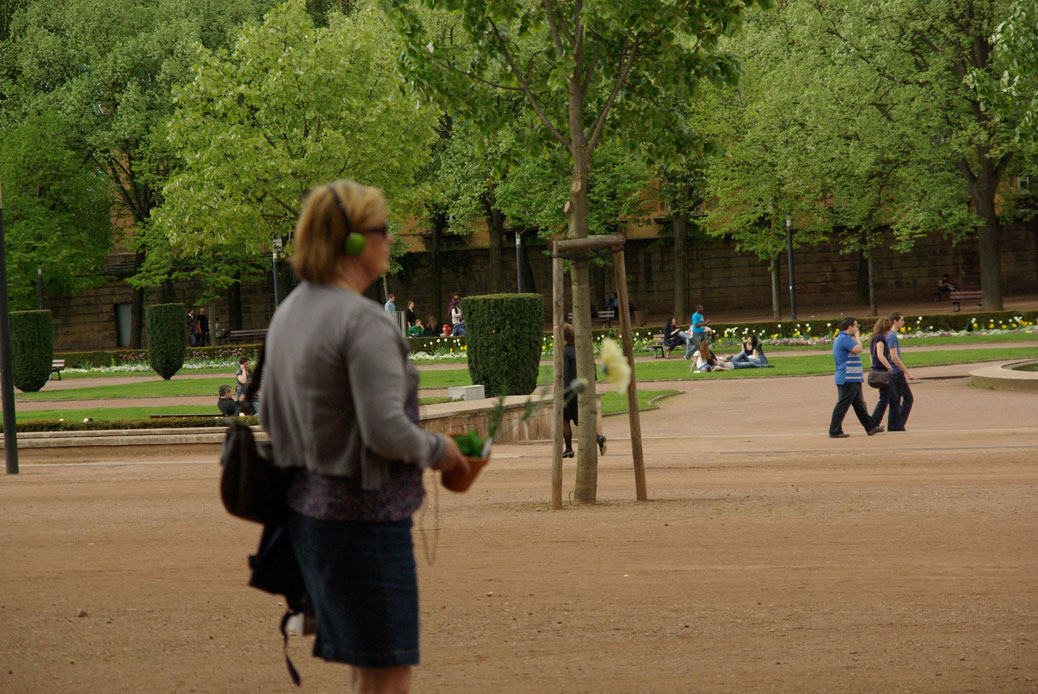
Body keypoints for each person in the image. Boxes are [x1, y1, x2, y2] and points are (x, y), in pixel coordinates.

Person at [261, 180, 469, 694]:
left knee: (367, 671)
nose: (390, 240)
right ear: (353, 241)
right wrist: (444, 452)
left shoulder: (287, 315)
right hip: (364, 520)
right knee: (388, 674)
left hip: (307, 517)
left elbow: (268, 412)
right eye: (382, 230)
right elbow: (385, 430)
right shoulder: (362, 320)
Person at [829, 317, 884, 438]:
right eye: (856, 326)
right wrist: (858, 337)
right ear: (850, 327)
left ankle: (870, 427)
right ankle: (834, 430)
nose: (857, 328)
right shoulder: (844, 338)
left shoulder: (845, 338)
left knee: (859, 404)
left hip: (853, 377)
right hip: (847, 377)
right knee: (843, 404)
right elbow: (859, 349)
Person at [561, 323, 606, 458]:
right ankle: (598, 438)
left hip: (571, 391)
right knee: (579, 420)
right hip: (584, 388)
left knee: (564, 419)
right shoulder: (584, 348)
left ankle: (569, 448)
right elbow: (592, 367)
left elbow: (566, 374)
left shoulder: (567, 350)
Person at [885, 312, 915, 431]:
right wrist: (907, 372)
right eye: (901, 320)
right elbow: (894, 357)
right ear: (895, 321)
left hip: (894, 373)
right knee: (906, 398)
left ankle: (896, 425)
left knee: (897, 400)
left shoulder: (890, 335)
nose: (903, 322)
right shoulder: (891, 336)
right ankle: (897, 425)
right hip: (896, 373)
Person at [868, 316, 895, 427]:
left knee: (887, 397)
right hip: (882, 370)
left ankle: (874, 422)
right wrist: (888, 366)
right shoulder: (880, 338)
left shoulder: (874, 338)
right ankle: (873, 422)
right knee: (885, 398)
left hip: (876, 368)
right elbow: (880, 354)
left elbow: (871, 356)